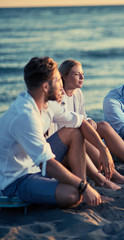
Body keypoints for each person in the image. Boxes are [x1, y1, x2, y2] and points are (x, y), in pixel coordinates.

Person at [0, 57, 103, 207]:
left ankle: (84, 188)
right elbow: (47, 164)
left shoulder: (48, 104)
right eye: (57, 80)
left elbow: (81, 121)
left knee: (74, 131)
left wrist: (103, 149)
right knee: (73, 194)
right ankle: (83, 190)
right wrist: (83, 187)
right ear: (45, 87)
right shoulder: (25, 115)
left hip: (35, 165)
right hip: (17, 179)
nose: (61, 84)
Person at [58, 59, 124, 178]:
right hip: (64, 147)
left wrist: (89, 120)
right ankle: (115, 176)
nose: (82, 77)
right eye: (77, 74)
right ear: (64, 77)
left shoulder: (78, 93)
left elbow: (82, 116)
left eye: (82, 74)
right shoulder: (57, 96)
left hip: (77, 134)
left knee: (103, 125)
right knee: (82, 137)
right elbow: (61, 129)